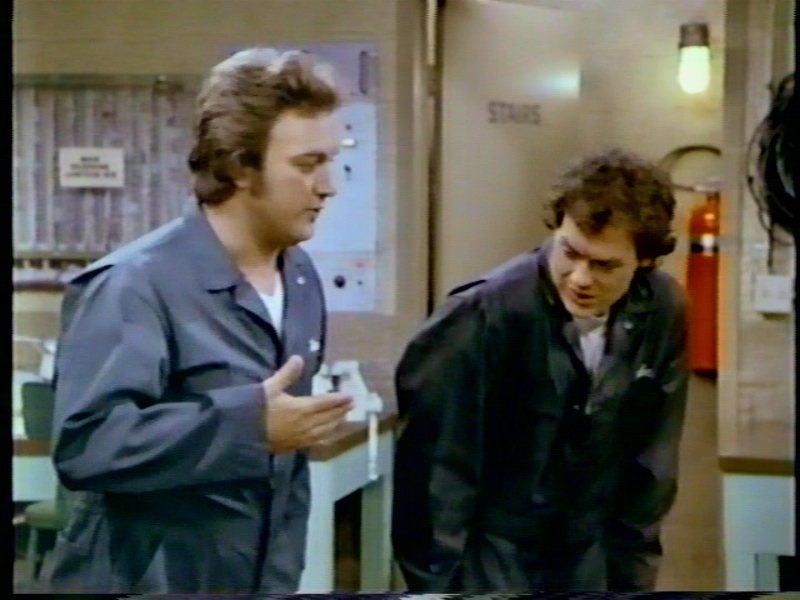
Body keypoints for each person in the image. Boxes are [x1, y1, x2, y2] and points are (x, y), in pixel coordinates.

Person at [47, 47, 353, 594]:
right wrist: (247, 427)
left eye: (332, 161)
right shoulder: (135, 284)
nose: (329, 186)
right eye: (307, 165)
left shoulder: (301, 277)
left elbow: (287, 473)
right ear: (238, 167)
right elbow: (88, 445)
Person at [392, 149, 690, 592]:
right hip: (493, 554)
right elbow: (434, 475)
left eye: (604, 265)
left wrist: (633, 578)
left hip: (589, 552)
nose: (580, 278)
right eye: (569, 252)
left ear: (644, 262)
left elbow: (652, 464)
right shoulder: (481, 315)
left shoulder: (662, 309)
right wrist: (436, 587)